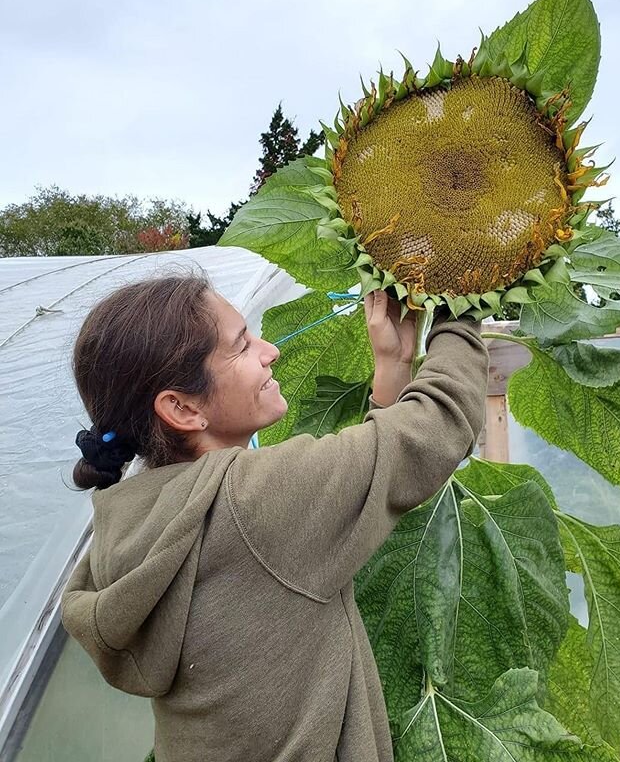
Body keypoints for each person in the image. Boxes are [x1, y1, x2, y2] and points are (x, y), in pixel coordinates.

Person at [62, 273, 489, 762]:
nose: (270, 351)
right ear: (181, 407)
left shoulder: (133, 518)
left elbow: (359, 490)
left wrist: (392, 365)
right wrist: (464, 303)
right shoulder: (250, 503)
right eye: (241, 347)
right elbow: (434, 428)